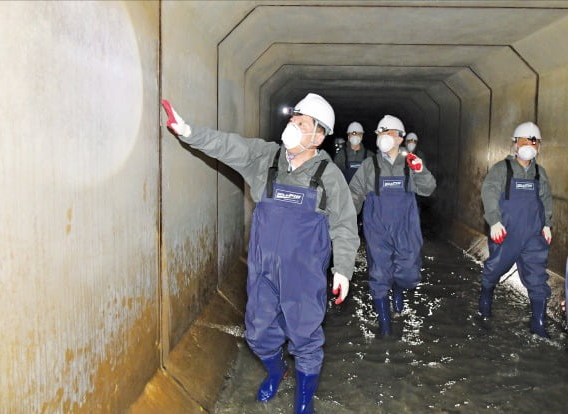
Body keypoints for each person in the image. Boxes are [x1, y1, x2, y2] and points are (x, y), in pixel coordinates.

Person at [161, 94, 360, 413]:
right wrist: (188, 131)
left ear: (319, 135)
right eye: (292, 121)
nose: (293, 127)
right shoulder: (265, 159)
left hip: (304, 275)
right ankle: (276, 370)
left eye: (302, 123)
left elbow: (345, 225)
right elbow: (227, 145)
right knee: (256, 332)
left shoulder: (329, 176)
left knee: (305, 337)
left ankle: (304, 404)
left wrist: (343, 271)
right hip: (264, 270)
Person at [348, 115, 436, 336]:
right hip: (377, 225)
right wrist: (347, 222)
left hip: (406, 225)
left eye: (389, 134)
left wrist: (420, 170)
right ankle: (385, 328)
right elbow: (355, 193)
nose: (384, 138)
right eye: (381, 133)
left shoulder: (410, 163)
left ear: (400, 139)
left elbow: (428, 189)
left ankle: (398, 288)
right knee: (379, 273)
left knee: (408, 271)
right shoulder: (369, 165)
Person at [478, 122, 554, 338]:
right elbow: (489, 192)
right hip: (506, 231)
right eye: (523, 141)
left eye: (533, 141)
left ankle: (538, 324)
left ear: (539, 145)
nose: (528, 145)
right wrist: (494, 221)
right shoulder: (502, 169)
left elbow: (546, 198)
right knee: (494, 269)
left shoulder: (540, 173)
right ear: (514, 144)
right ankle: (484, 304)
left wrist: (547, 224)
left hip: (533, 234)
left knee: (537, 276)